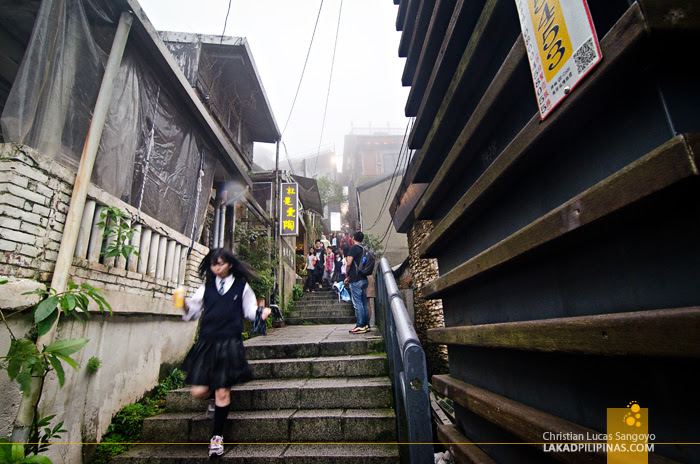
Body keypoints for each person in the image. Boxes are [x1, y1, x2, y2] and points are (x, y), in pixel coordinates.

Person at [181, 248, 272, 457]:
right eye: (213, 264)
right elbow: (193, 312)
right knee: (198, 392)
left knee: (223, 391)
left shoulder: (242, 286)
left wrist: (261, 312)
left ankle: (216, 437)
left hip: (229, 342)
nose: (216, 268)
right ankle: (213, 398)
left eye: (220, 264)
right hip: (207, 342)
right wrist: (185, 307)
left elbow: (249, 310)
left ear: (229, 264)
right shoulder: (207, 287)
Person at [344, 231, 370, 334]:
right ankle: (366, 325)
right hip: (364, 278)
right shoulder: (364, 249)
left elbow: (349, 263)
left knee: (358, 303)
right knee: (364, 303)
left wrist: (346, 273)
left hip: (356, 280)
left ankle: (360, 325)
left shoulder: (354, 248)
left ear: (353, 237)